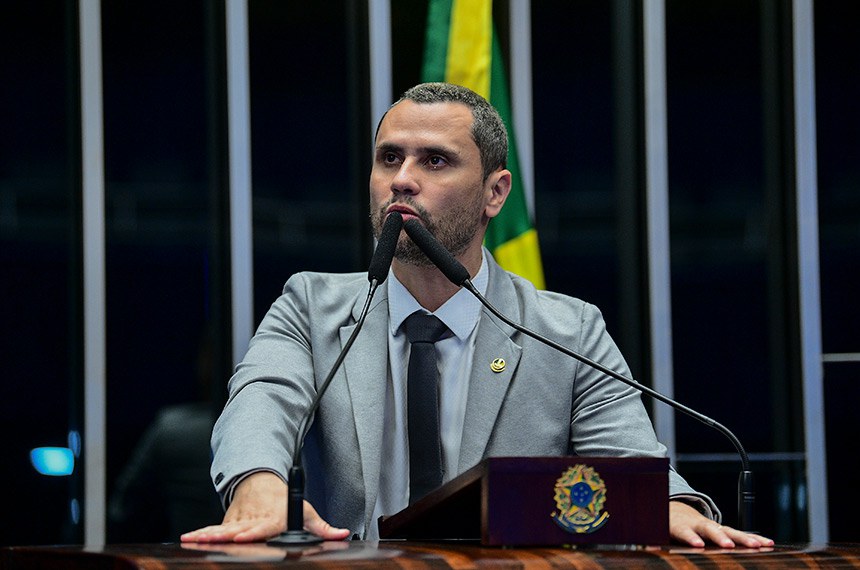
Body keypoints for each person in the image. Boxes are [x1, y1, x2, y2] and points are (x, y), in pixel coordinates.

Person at [182, 83, 773, 548]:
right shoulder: (312, 307)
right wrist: (258, 483)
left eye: (435, 161)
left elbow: (633, 468)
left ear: (496, 193)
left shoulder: (568, 331)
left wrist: (668, 506)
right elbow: (260, 400)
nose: (402, 180)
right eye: (389, 158)